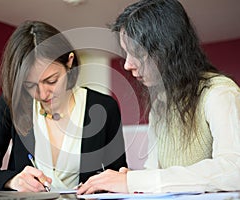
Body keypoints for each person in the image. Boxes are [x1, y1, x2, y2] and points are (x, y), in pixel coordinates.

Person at [77, 0, 240, 194]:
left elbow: (234, 171)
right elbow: (155, 171)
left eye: (136, 53)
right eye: (126, 53)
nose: (128, 65)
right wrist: (127, 181)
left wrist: (135, 181)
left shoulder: (219, 93)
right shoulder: (160, 104)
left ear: (167, 48)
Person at [0, 20, 127, 192]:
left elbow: (117, 177)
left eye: (51, 81)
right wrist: (12, 180)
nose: (43, 95)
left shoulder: (104, 107)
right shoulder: (13, 104)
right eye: (30, 85)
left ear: (69, 62)